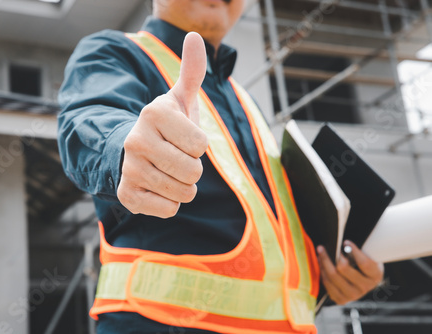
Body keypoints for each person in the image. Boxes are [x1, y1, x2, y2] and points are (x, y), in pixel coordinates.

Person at [58, 0, 384, 333]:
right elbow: (88, 122)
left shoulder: (245, 99)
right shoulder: (114, 51)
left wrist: (331, 278)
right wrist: (124, 148)